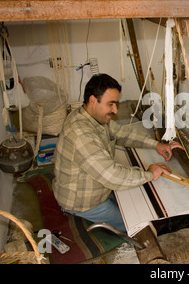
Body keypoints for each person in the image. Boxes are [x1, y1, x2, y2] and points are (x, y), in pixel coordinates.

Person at [52, 73, 182, 232]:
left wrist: (156, 145)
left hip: (98, 190)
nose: (115, 110)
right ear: (93, 100)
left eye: (116, 104)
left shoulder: (92, 117)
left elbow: (122, 133)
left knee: (137, 198)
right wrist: (149, 174)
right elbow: (112, 176)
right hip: (84, 203)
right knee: (142, 225)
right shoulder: (81, 134)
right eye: (111, 104)